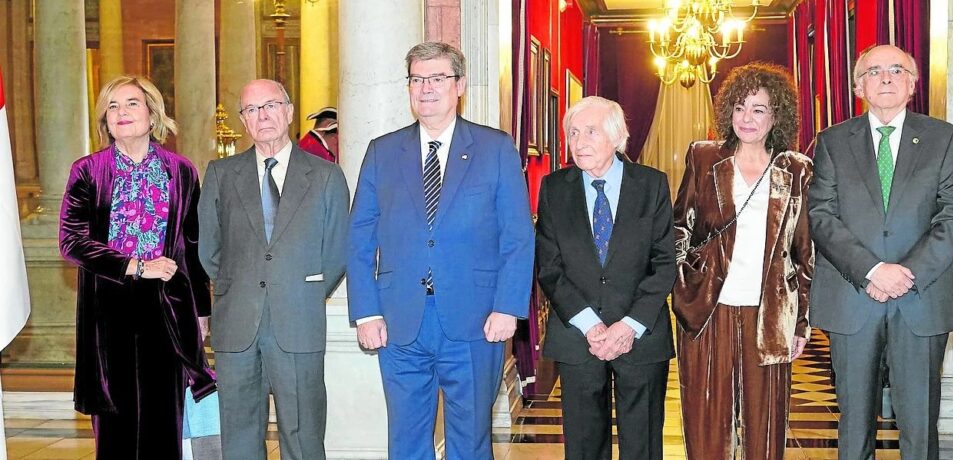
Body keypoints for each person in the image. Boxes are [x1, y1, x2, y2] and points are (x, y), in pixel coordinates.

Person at [347, 41, 534, 459]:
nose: (426, 88)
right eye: (417, 79)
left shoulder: (495, 148)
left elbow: (517, 236)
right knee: (406, 442)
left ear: (459, 85)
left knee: (470, 441)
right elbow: (359, 236)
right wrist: (366, 311)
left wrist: (508, 306)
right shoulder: (382, 151)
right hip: (399, 321)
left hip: (476, 320)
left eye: (437, 78)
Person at [808, 44, 953, 460]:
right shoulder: (831, 142)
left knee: (919, 425)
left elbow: (952, 215)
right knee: (853, 425)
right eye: (874, 71)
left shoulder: (943, 138)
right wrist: (872, 270)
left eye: (897, 70)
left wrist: (904, 273)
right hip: (853, 298)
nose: (885, 78)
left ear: (912, 84)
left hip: (921, 299)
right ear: (858, 86)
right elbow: (821, 216)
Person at [58, 75, 215, 459]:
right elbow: (71, 241)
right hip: (108, 311)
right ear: (105, 120)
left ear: (152, 114)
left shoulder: (181, 171)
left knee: (165, 423)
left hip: (168, 310)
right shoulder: (87, 171)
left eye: (131, 103)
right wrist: (136, 265)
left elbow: (192, 246)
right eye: (112, 106)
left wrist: (201, 310)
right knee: (116, 428)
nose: (121, 112)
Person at [198, 79, 350, 460]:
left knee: (303, 437)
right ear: (243, 121)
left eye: (270, 105)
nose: (262, 115)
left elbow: (336, 251)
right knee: (239, 439)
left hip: (298, 321)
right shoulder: (220, 174)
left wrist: (299, 289)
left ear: (289, 112)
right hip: (237, 325)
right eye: (252, 109)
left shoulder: (326, 176)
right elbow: (209, 249)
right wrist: (241, 285)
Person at [673, 62, 814, 459]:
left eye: (758, 109)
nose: (746, 118)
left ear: (776, 116)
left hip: (770, 312)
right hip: (707, 309)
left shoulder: (796, 169)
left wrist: (801, 322)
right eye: (739, 108)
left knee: (764, 424)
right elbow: (679, 227)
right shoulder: (703, 157)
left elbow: (805, 251)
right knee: (706, 421)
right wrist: (684, 283)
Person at [535, 96, 676, 460]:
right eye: (573, 133)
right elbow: (549, 267)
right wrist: (590, 325)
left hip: (641, 337)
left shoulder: (652, 185)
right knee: (583, 446)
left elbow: (664, 262)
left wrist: (629, 325)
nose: (579, 142)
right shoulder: (554, 189)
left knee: (643, 446)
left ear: (616, 137)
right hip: (577, 337)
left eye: (590, 131)